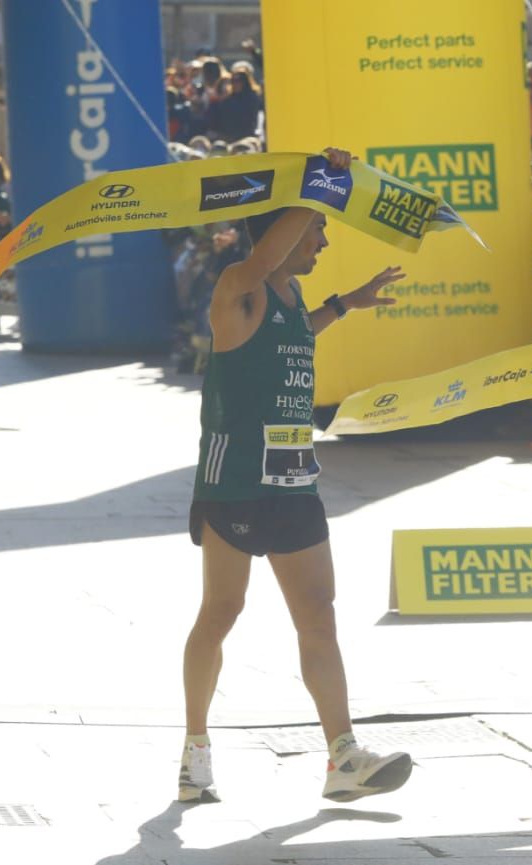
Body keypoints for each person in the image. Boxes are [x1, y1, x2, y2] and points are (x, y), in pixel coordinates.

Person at [181, 147, 415, 805]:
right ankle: (195, 747)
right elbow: (258, 271)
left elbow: (293, 334)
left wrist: (349, 303)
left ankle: (343, 756)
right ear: (285, 228)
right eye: (315, 229)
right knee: (221, 611)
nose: (324, 237)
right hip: (235, 483)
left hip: (293, 478)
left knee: (318, 612)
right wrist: (321, 186)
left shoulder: (286, 294)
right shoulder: (239, 284)